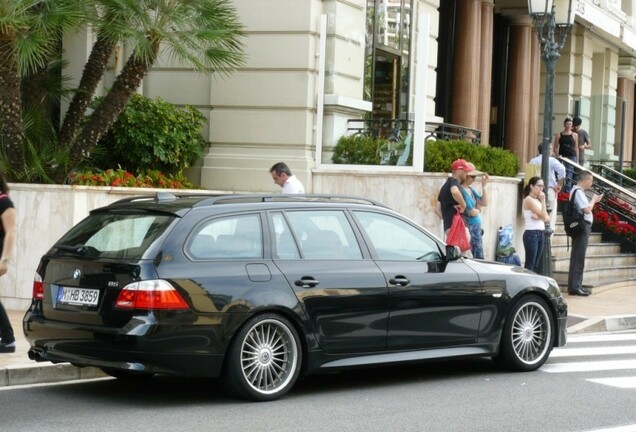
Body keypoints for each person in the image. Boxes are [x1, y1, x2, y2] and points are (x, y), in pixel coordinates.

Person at [568, 170, 603, 297]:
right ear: (586, 180)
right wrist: (594, 200)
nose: (591, 184)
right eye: (591, 181)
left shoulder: (576, 191)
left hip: (581, 227)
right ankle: (575, 287)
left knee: (577, 256)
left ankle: (575, 286)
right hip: (582, 227)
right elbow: (587, 210)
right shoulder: (578, 191)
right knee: (579, 257)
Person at [528, 144, 566, 234]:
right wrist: (559, 184)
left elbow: (529, 178)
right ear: (548, 151)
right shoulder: (551, 160)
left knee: (537, 216)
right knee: (549, 219)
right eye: (551, 150)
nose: (552, 152)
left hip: (535, 192)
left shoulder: (533, 161)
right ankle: (547, 244)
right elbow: (562, 169)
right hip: (549, 190)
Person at [0, 170, 17, 353]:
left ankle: (8, 339)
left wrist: (5, 259)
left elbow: (11, 231)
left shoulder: (4, 201)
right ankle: (7, 337)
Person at [460, 162, 489, 259]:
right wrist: (477, 210)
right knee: (473, 254)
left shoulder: (471, 190)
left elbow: (484, 202)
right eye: (472, 177)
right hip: (470, 225)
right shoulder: (461, 190)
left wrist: (484, 186)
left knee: (478, 253)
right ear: (466, 176)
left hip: (476, 226)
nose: (474, 179)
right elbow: (471, 212)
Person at [435, 159, 468, 241]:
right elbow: (454, 190)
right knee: (464, 253)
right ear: (459, 171)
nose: (467, 174)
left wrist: (447, 220)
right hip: (458, 228)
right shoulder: (454, 182)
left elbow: (437, 210)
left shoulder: (444, 186)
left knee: (455, 252)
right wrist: (463, 205)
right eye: (465, 171)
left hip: (449, 228)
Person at [522, 176, 549, 273]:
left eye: (542, 186)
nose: (541, 189)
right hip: (531, 234)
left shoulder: (538, 200)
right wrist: (542, 215)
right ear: (532, 186)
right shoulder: (529, 200)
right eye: (539, 186)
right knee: (530, 263)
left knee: (536, 264)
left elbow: (547, 218)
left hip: (540, 234)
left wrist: (540, 216)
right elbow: (543, 215)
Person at [552, 117, 578, 193]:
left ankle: (567, 192)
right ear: (564, 125)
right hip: (562, 157)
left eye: (570, 124)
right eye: (567, 124)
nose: (569, 125)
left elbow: (576, 148)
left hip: (572, 156)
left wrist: (577, 160)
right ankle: (561, 191)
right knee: (561, 173)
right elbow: (555, 147)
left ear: (572, 125)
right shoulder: (559, 135)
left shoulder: (575, 135)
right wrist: (558, 156)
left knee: (569, 174)